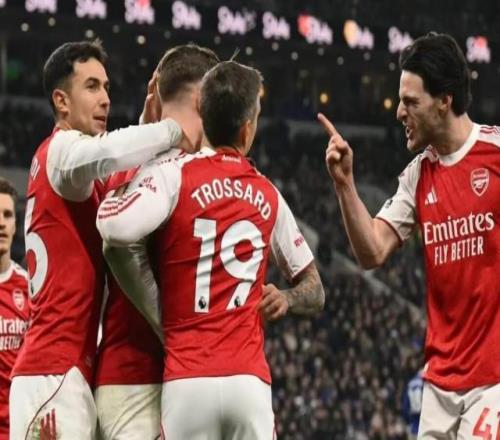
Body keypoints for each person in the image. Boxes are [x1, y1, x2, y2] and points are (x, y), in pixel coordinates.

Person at [97, 61, 325, 439]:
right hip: (248, 382)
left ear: (201, 112)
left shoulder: (175, 175)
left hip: (187, 379)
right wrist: (287, 298)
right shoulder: (268, 192)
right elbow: (315, 292)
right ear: (248, 128)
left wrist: (117, 190)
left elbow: (116, 232)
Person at [319, 32, 500, 438]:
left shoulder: (495, 153)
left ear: (445, 100)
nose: (399, 111)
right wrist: (345, 185)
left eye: (411, 102)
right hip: (439, 386)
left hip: (494, 382)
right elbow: (371, 251)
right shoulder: (418, 174)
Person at [9, 40, 188, 439]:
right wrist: (175, 127)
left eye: (106, 87)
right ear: (61, 101)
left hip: (62, 371)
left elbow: (112, 169)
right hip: (52, 375)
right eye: (91, 86)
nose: (105, 98)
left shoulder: (72, 172)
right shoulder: (61, 151)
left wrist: (145, 120)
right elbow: (109, 153)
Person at [94, 43, 220, 440]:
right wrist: (171, 331)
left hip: (142, 376)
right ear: (203, 100)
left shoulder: (127, 167)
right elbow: (116, 244)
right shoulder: (186, 173)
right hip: (143, 380)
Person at [0, 178, 29, 439]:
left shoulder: (30, 288)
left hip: (18, 427)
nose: (1, 223)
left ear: (15, 225)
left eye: (7, 215)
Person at [402, 368, 423, 439]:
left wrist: (408, 422)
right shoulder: (425, 383)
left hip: (412, 425)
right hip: (424, 426)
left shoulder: (410, 384)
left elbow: (405, 407)